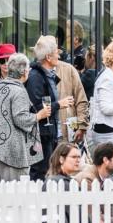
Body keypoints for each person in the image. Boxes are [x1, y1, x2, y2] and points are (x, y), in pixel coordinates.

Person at [0, 53, 47, 181]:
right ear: (24, 72)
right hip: (12, 153)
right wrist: (39, 115)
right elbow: (20, 119)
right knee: (14, 195)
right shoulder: (19, 91)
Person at [25, 38, 69, 181]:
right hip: (40, 134)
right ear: (48, 57)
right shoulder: (35, 77)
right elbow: (36, 107)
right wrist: (58, 104)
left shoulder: (46, 74)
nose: (59, 56)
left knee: (48, 170)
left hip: (48, 132)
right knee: (40, 171)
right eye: (57, 52)